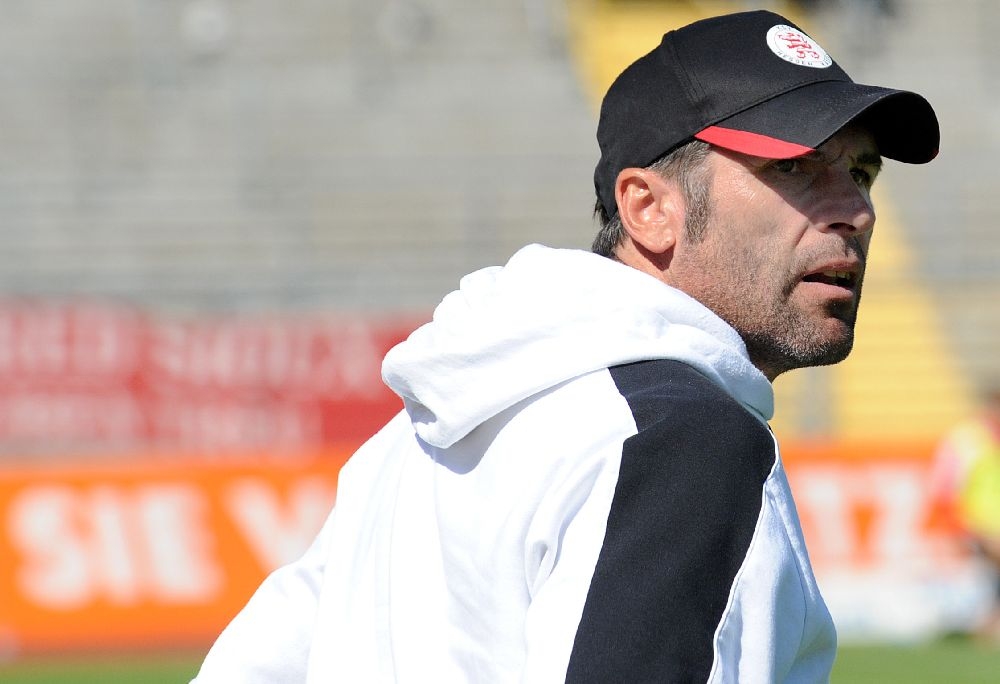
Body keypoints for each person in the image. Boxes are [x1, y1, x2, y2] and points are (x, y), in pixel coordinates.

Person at [192, 10, 939, 682]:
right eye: (794, 166)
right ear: (648, 208)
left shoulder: (419, 436)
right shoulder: (682, 439)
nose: (857, 211)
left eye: (861, 172)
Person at [931, 385, 1000, 643]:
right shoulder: (967, 440)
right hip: (977, 526)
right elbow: (945, 489)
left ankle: (989, 623)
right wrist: (962, 528)